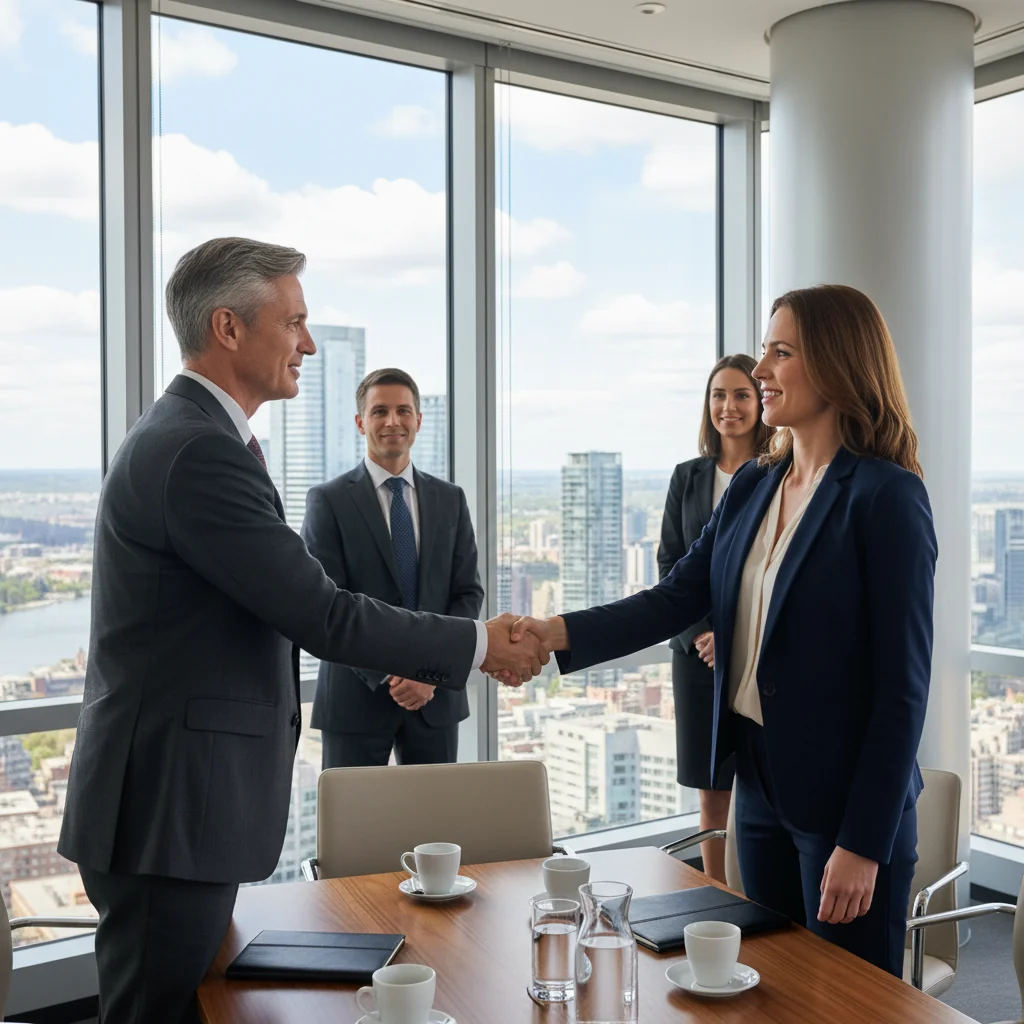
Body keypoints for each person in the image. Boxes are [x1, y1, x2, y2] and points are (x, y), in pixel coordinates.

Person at [57, 237, 545, 1024]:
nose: (309, 343)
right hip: (166, 814)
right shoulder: (196, 452)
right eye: (295, 322)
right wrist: (483, 644)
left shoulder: (197, 438)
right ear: (228, 328)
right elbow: (321, 611)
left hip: (174, 811)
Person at [503, 284, 936, 978]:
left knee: (848, 1006)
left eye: (781, 352)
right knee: (768, 990)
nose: (761, 370)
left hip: (841, 805)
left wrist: (864, 842)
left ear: (837, 364)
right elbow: (675, 597)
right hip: (758, 786)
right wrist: (552, 631)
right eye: (765, 350)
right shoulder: (754, 487)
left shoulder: (886, 497)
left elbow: (903, 690)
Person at [303, 368, 484, 768]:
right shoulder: (327, 501)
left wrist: (430, 676)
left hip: (434, 703)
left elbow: (467, 593)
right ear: (360, 422)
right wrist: (390, 676)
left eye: (404, 411)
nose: (392, 421)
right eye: (380, 411)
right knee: (355, 827)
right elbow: (324, 606)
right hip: (355, 700)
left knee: (434, 823)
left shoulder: (450, 499)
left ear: (418, 420)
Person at [658, 354, 772, 883]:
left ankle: (760, 894)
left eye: (742, 395)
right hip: (697, 657)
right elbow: (671, 565)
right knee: (712, 788)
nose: (729, 407)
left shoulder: (780, 472)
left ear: (760, 402)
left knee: (761, 779)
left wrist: (732, 636)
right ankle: (717, 896)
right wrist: (702, 633)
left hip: (757, 652)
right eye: (719, 396)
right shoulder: (688, 476)